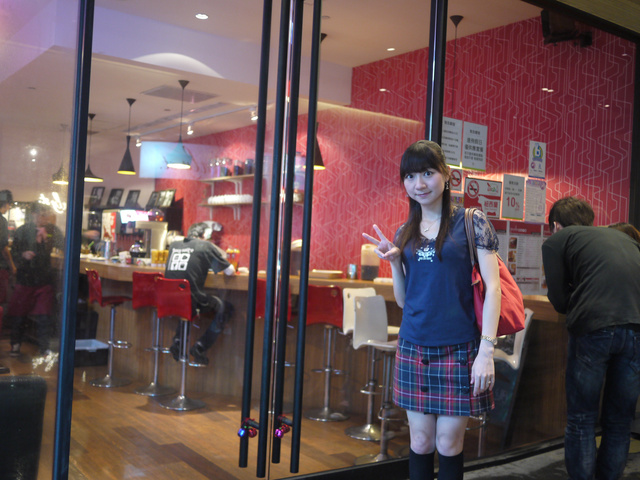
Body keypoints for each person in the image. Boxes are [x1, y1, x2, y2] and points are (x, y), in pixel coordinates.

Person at [363, 140, 500, 480]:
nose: (419, 184)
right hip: (414, 346)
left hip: (460, 349)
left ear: (446, 175)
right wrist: (395, 262)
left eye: (427, 173)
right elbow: (404, 301)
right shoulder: (404, 232)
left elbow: (494, 288)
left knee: (448, 443)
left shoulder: (471, 222)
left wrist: (486, 351)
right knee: (421, 441)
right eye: (410, 176)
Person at [541, 196, 640, 480]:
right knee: (619, 421)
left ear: (555, 225)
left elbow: (559, 301)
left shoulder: (557, 240)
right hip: (636, 328)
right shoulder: (624, 238)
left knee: (581, 419)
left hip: (594, 327)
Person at [165, 222, 235, 365]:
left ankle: (178, 341)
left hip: (168, 299)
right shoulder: (205, 246)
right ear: (204, 235)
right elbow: (230, 271)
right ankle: (200, 347)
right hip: (191, 300)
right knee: (225, 308)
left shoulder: (174, 245)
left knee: (186, 302)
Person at [8, 203, 64, 357]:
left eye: (46, 215)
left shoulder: (52, 230)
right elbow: (14, 253)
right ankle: (15, 345)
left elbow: (65, 244)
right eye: (42, 215)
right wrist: (23, 255)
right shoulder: (23, 230)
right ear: (33, 214)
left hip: (44, 278)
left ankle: (44, 348)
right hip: (25, 278)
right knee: (19, 315)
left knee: (44, 315)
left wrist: (47, 241)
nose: (44, 218)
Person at [0, 190, 16, 306]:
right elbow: (3, 248)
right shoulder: (2, 221)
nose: (9, 207)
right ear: (6, 204)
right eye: (9, 204)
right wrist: (12, 266)